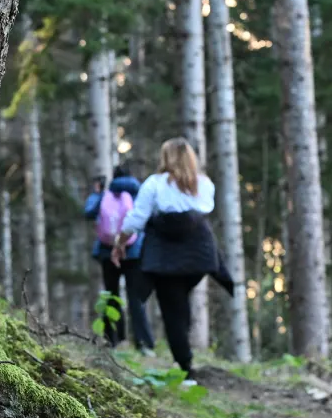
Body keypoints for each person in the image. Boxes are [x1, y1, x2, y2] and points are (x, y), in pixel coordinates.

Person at [112, 138, 234, 382]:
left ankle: (185, 368)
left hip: (166, 256)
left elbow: (136, 219)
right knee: (179, 304)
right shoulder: (204, 185)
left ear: (165, 157)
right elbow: (201, 211)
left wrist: (119, 243)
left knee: (172, 309)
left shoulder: (155, 184)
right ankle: (185, 359)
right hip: (200, 255)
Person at [83, 165, 155, 352]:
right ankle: (143, 342)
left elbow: (89, 213)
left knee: (111, 295)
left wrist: (98, 193)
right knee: (136, 298)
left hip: (108, 252)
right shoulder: (138, 193)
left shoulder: (104, 195)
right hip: (134, 253)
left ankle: (112, 340)